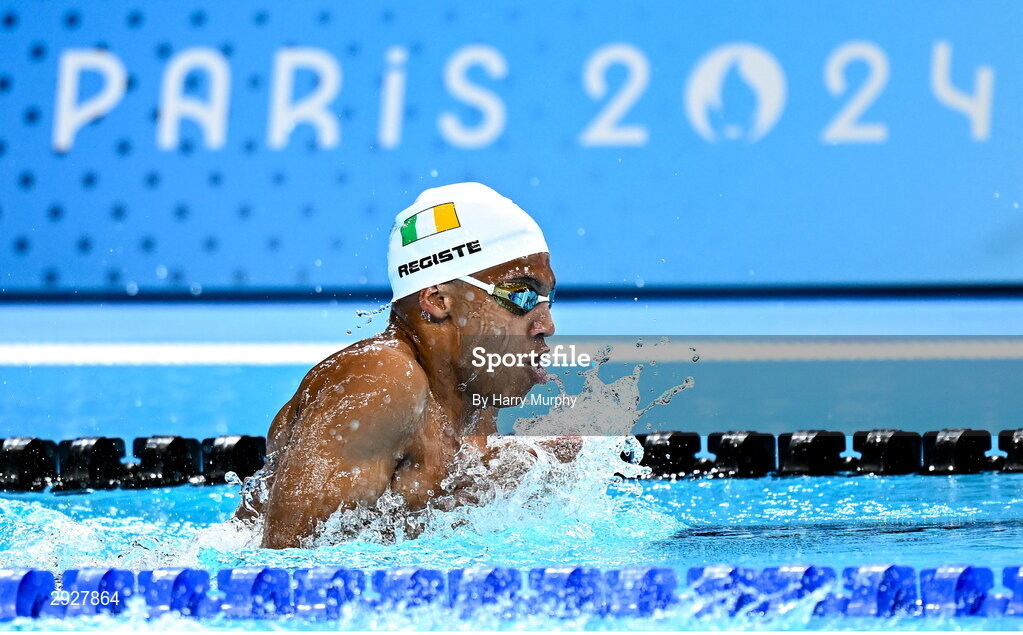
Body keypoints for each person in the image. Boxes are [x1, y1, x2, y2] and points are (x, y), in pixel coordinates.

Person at [241, 182, 576, 549]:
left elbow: (431, 500)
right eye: (520, 295)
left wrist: (529, 464)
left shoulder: (471, 389)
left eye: (548, 299)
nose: (547, 324)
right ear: (437, 299)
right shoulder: (380, 383)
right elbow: (284, 573)